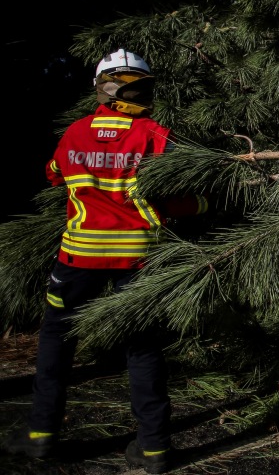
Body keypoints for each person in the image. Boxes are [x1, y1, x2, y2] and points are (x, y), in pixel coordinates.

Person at [3, 50, 208, 474]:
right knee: (143, 346)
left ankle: (41, 434)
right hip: (138, 259)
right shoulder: (157, 135)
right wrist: (207, 203)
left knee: (56, 340)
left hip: (77, 257)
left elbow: (54, 175)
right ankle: (154, 448)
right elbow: (176, 199)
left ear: (101, 87)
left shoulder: (75, 133)